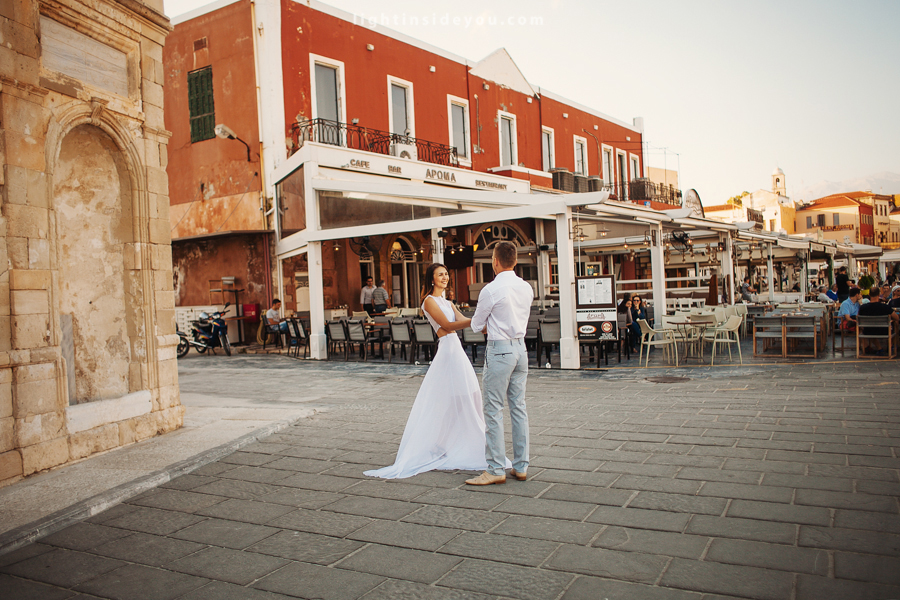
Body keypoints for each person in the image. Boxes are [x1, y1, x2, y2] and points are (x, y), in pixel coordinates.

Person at [365, 263, 505, 479]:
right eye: (440, 275)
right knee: (457, 397)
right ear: (431, 279)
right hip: (448, 352)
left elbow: (461, 320)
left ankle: (442, 442)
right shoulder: (428, 302)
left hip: (456, 351)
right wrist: (477, 322)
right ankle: (441, 443)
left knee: (466, 396)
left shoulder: (448, 302)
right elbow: (447, 326)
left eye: (447, 274)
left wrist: (485, 322)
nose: (445, 277)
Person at [465, 241, 534, 486]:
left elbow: (475, 325)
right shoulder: (526, 287)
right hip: (521, 349)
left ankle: (495, 468)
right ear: (514, 261)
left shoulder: (491, 289)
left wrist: (490, 324)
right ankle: (521, 466)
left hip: (500, 350)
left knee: (493, 410)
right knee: (519, 407)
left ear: (494, 261)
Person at [857, 286, 899, 355]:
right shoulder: (885, 307)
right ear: (879, 295)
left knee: (870, 329)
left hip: (868, 331)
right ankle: (891, 346)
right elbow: (896, 318)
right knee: (895, 325)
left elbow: (858, 318)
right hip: (884, 331)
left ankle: (880, 348)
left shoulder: (863, 308)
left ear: (869, 295)